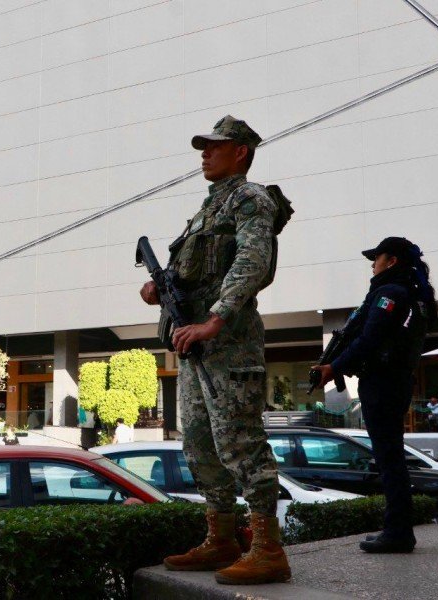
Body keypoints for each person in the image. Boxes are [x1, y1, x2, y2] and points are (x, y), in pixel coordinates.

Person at [141, 116, 293, 584]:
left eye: (214, 147)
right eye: (203, 147)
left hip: (228, 344)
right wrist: (159, 287)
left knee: (240, 442)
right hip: (195, 348)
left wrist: (215, 319)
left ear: (240, 152)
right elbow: (198, 268)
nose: (204, 153)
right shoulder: (208, 208)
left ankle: (268, 549)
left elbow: (252, 262)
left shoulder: (250, 198)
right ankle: (221, 538)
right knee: (201, 445)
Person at [312, 236, 438, 554]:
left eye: (377, 258)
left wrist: (334, 367)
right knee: (390, 458)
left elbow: (369, 339)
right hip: (392, 381)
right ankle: (398, 530)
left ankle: (398, 532)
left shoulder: (391, 294)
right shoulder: (409, 292)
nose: (373, 263)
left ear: (392, 261)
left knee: (389, 459)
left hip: (383, 383)